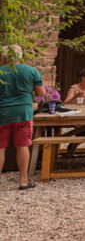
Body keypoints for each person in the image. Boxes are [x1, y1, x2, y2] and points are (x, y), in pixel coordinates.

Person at [0, 44, 46, 190]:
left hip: (2, 112)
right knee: (23, 145)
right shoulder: (31, 70)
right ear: (20, 56)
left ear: (5, 57)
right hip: (23, 112)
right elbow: (41, 93)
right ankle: (23, 181)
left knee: (0, 147)